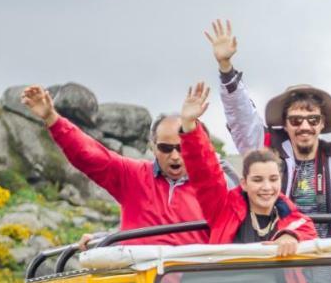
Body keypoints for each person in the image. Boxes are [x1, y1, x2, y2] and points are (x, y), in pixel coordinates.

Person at [205, 19, 331, 241]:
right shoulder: (268, 151)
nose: (304, 127)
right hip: (280, 262)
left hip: (330, 264)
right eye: (296, 120)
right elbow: (241, 118)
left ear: (322, 124)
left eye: (312, 120)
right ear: (284, 123)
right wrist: (226, 69)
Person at [177, 82, 319, 283]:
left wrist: (289, 236)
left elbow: (305, 227)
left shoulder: (289, 212)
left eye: (272, 179)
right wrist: (189, 126)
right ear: (243, 182)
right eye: (257, 180)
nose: (266, 187)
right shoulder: (224, 207)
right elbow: (204, 170)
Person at [20, 85, 209, 247]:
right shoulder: (133, 176)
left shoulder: (213, 187)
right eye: (166, 148)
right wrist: (51, 118)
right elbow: (89, 154)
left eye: (182, 148)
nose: (175, 156)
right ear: (153, 147)